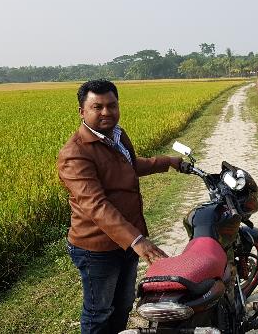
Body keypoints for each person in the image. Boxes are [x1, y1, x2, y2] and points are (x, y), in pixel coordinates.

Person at [58, 79, 183, 334]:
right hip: (97, 247)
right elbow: (95, 204)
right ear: (82, 111)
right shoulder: (75, 154)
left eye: (112, 105)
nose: (106, 112)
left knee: (124, 304)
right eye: (98, 107)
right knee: (98, 311)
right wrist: (137, 240)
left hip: (125, 241)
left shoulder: (116, 135)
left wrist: (167, 162)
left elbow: (129, 165)